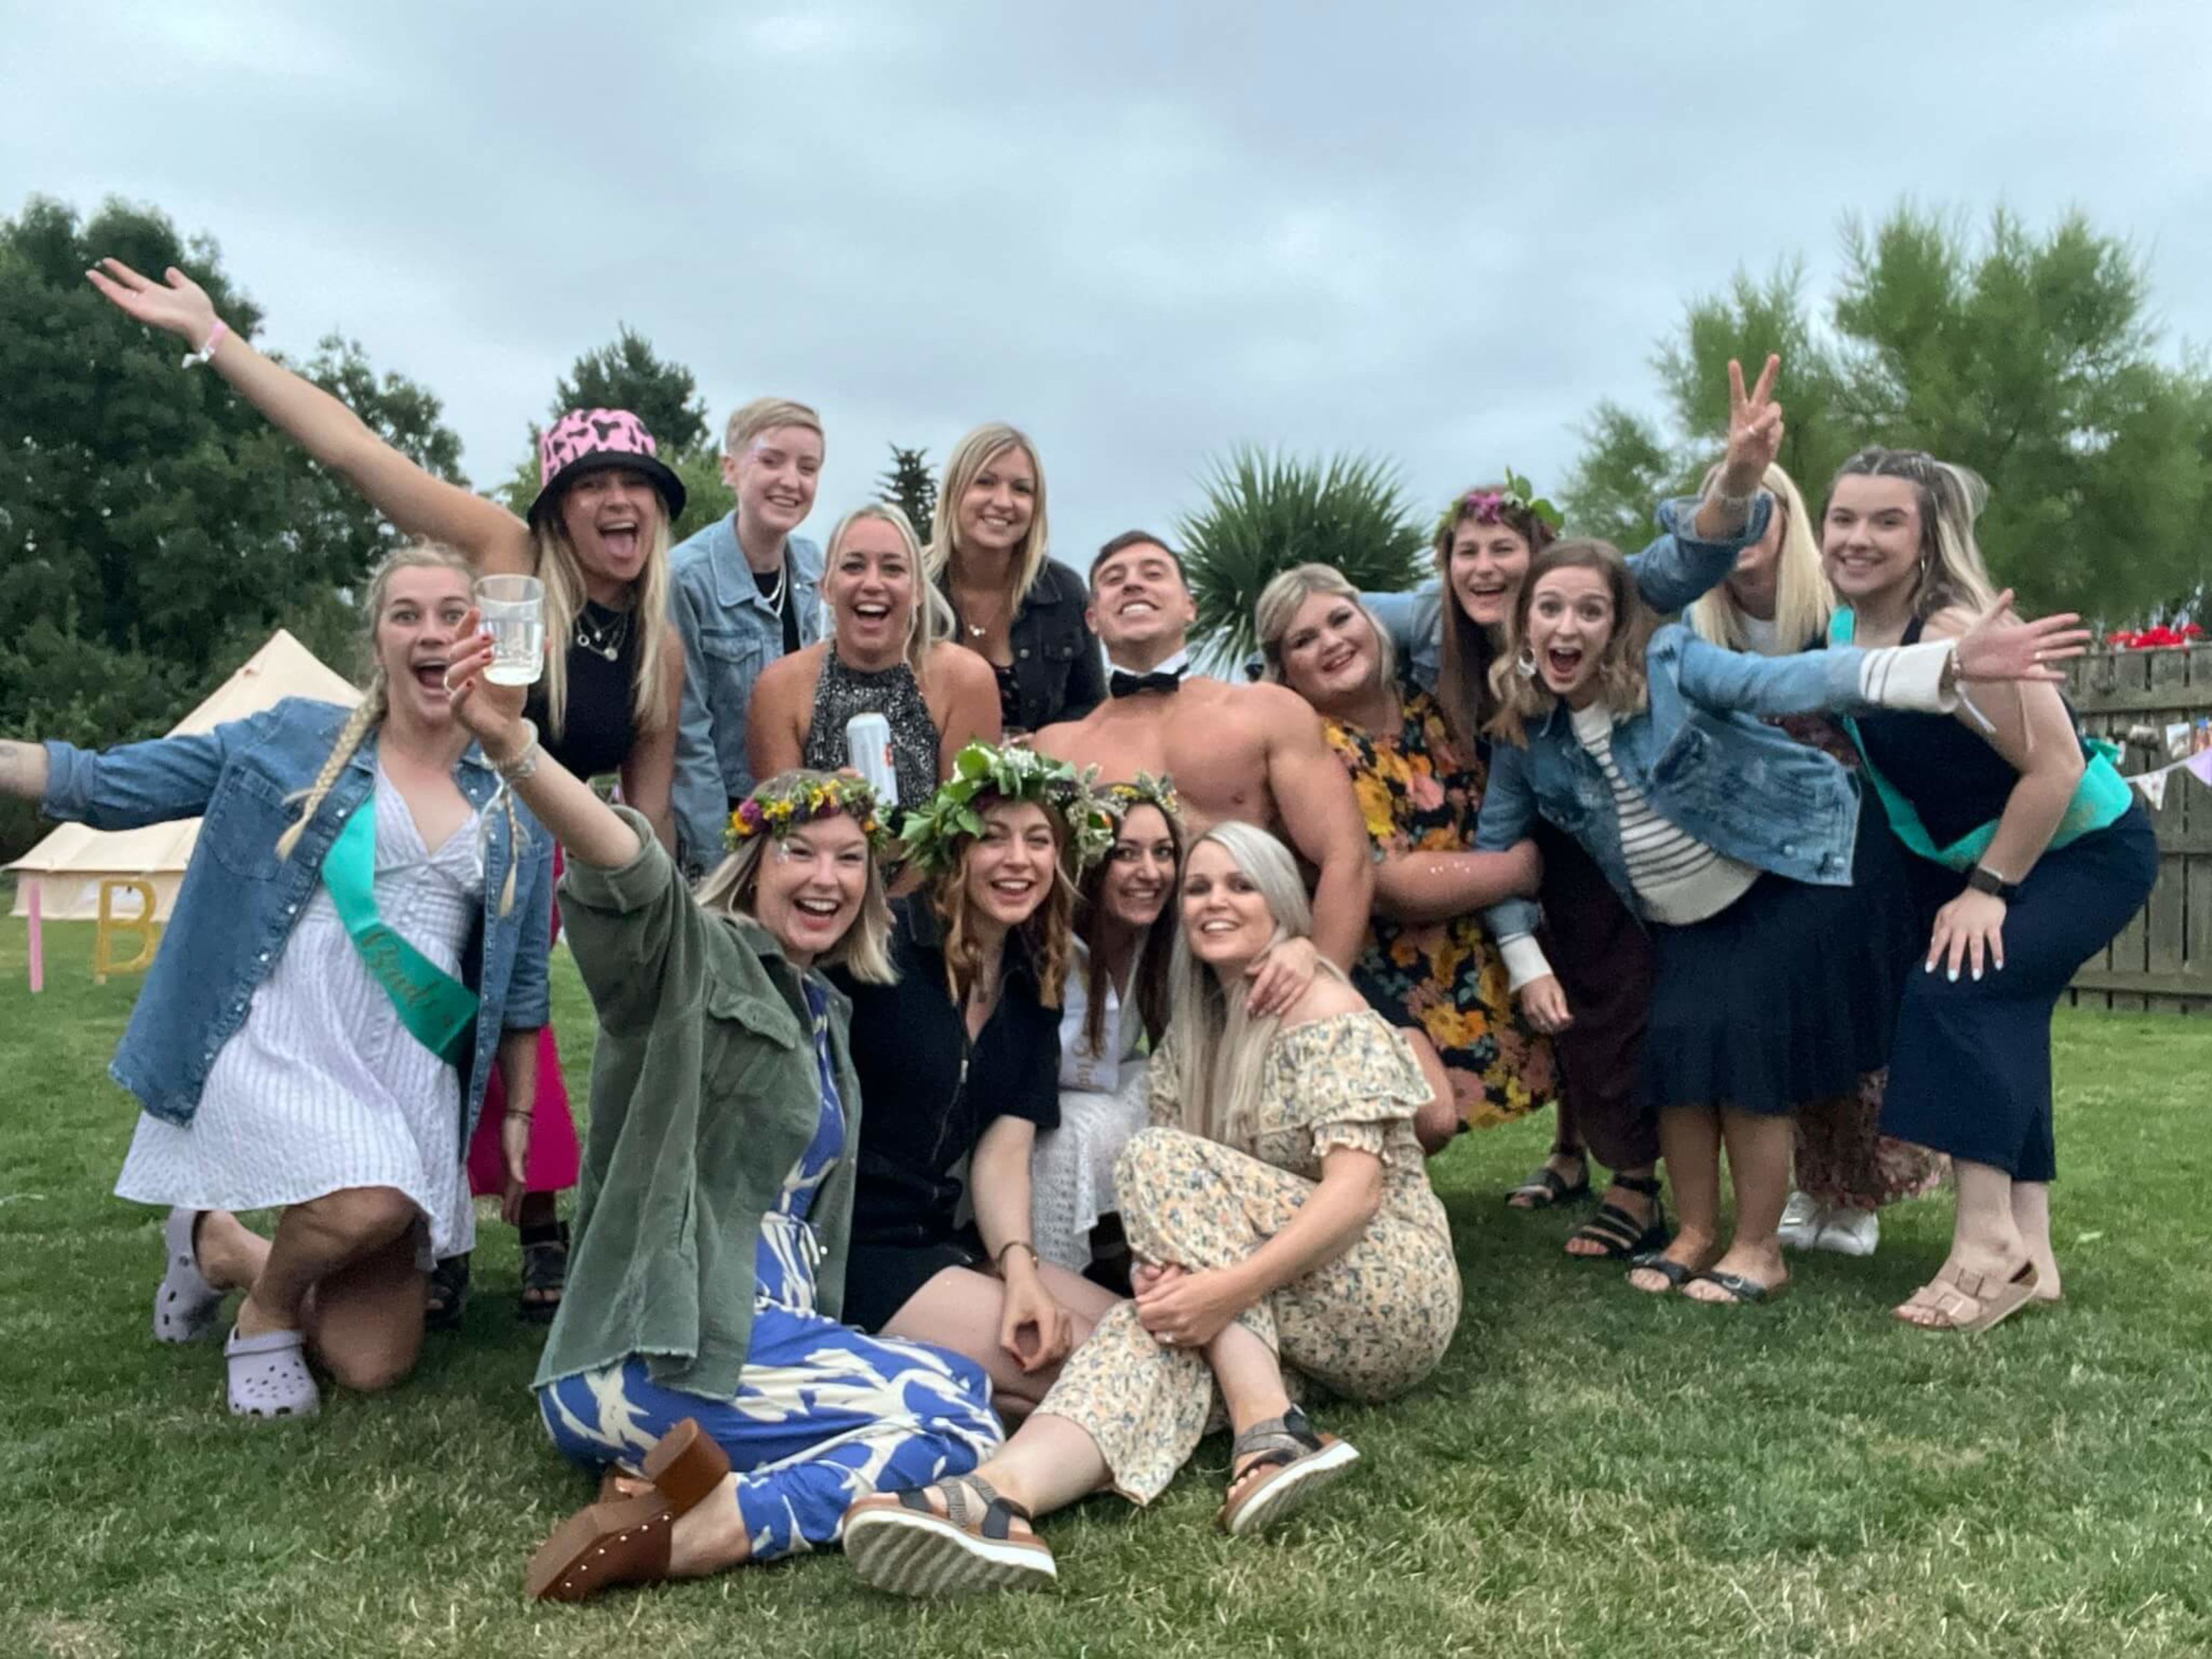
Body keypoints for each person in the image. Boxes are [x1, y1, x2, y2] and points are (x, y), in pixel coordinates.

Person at [88, 257, 687, 1324]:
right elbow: (355, 452)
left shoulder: (657, 645)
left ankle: (484, 1230)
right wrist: (214, 340)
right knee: (430, 1036)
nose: (616, 500)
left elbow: (649, 813)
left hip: (533, 859)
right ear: (558, 509)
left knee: (513, 1037)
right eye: (592, 484)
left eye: (635, 484)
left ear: (659, 509)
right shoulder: (508, 568)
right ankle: (389, 1232)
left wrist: (661, 926)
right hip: (417, 832)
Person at [435, 635, 1001, 1599]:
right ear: (753, 863)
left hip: (753, 1346)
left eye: (850, 859)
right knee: (957, 1415)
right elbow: (629, 868)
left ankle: (666, 1486)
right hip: (653, 1350)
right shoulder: (690, 959)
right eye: (799, 851)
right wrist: (513, 746)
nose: (826, 877)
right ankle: (715, 1529)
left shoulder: (826, 1015)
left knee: (961, 1387)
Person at [0, 545, 552, 1416]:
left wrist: (518, 1113)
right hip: (292, 1026)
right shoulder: (297, 738)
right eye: (406, 614)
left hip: (409, 1053)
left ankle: (218, 1247)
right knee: (368, 1197)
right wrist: (15, 761)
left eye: (453, 615)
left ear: (482, 639)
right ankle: (262, 1320)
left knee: (372, 1361)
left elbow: (521, 986)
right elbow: (115, 784)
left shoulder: (517, 793)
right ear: (377, 641)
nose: (430, 632)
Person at [839, 824, 1460, 1596]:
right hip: (1291, 1312)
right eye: (1198, 888)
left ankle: (1269, 1425)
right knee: (1154, 1331)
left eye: (1240, 885)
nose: (1214, 902)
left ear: (1280, 903)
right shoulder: (1188, 1043)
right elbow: (1185, 1222)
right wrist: (1183, 1290)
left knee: (1157, 1168)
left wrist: (1223, 1292)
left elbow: (1357, 1193)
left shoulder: (1321, 1005)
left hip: (1391, 1291)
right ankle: (995, 1497)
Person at [1472, 539, 2088, 1304]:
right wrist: (1524, 957)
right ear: (1525, 626)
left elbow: (1789, 678)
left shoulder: (1669, 664)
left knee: (1744, 1044)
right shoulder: (1525, 733)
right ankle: (1696, 1234)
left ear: (1618, 624)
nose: (1568, 627)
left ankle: (1759, 1251)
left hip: (1799, 862)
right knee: (1674, 1052)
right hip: (1686, 909)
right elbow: (1495, 846)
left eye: (1590, 610)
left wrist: (1944, 664)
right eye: (1550, 609)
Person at [1365, 357, 1786, 1258]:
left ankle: (1634, 1180)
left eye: (1504, 549)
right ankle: (1570, 1152)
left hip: (1600, 828)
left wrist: (1735, 480)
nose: (1485, 566)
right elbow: (1328, 612)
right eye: (1467, 551)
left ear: (1542, 557)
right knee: (1541, 991)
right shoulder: (1428, 626)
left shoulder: (1594, 594)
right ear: (1446, 565)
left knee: (1607, 993)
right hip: (1503, 819)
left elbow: (1688, 557)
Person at [1821, 449, 2157, 1331]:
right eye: (1841, 518)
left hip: (2081, 851)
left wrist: (1986, 890)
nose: (1856, 538)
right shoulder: (1839, 631)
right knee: (2001, 1009)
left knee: (1957, 990)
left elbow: (2054, 767)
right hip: (1989, 860)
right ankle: (2031, 1254)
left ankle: (1984, 1246)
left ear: (1926, 535)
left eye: (1885, 520)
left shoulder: (1953, 631)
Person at [1685, 460, 1947, 1256]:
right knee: (1783, 1016)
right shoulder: (1693, 632)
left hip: (1860, 848)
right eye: (1722, 512)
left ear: (1789, 519)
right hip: (1753, 857)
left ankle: (1855, 1194)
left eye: (1756, 510)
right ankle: (1808, 1184)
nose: (1739, 528)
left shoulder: (1832, 617)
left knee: (1853, 1012)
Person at [832, 742, 1124, 1417]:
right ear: (953, 850)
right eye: (992, 837)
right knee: (1103, 1377)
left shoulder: (1032, 980)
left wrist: (1019, 1270)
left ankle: (970, 1391)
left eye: (1038, 840)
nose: (1018, 860)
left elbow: (1002, 1151)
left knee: (1134, 1340)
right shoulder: (878, 948)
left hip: (938, 1236)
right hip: (854, 1248)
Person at [1257, 563, 1556, 1154]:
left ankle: (1572, 1157)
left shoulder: (1431, 702)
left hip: (1479, 934)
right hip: (1378, 954)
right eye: (1304, 640)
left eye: (1340, 619)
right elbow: (1392, 884)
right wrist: (1521, 871)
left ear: (1371, 622)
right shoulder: (1313, 746)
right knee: (1427, 1114)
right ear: (1284, 669)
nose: (1331, 642)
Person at [1031, 532, 1376, 975]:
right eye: (1114, 579)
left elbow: (1347, 857)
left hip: (1256, 972)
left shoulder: (1269, 711)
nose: (1133, 584)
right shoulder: (1057, 748)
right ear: (1093, 619)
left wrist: (1320, 979)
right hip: (1120, 986)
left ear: (1189, 607)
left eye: (1153, 573)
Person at [1031, 776, 1185, 1284]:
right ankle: (1053, 1277)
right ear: (1092, 861)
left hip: (1106, 1094)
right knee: (1075, 1130)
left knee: (1167, 1086)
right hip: (1029, 1117)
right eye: (1126, 853)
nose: (1151, 872)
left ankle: (1145, 1254)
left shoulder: (1162, 939)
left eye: (1164, 853)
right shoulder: (1046, 940)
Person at [747, 503, 1000, 812]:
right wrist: (827, 805)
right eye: (853, 566)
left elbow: (965, 826)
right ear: (826, 588)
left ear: (918, 591)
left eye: (892, 569)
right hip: (817, 845)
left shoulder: (966, 681)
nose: (872, 584)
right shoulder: (780, 687)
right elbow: (778, 829)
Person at [669, 397, 830, 874]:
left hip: (808, 827)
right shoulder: (686, 579)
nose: (791, 481)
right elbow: (687, 738)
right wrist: (721, 865)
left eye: (808, 468)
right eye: (771, 461)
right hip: (723, 827)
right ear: (731, 469)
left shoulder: (818, 570)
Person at [924, 423, 1105, 735]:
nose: (1003, 502)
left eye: (1021, 489)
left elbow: (1090, 707)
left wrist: (1042, 746)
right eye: (985, 482)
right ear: (954, 491)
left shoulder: (1064, 592)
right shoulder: (912, 587)